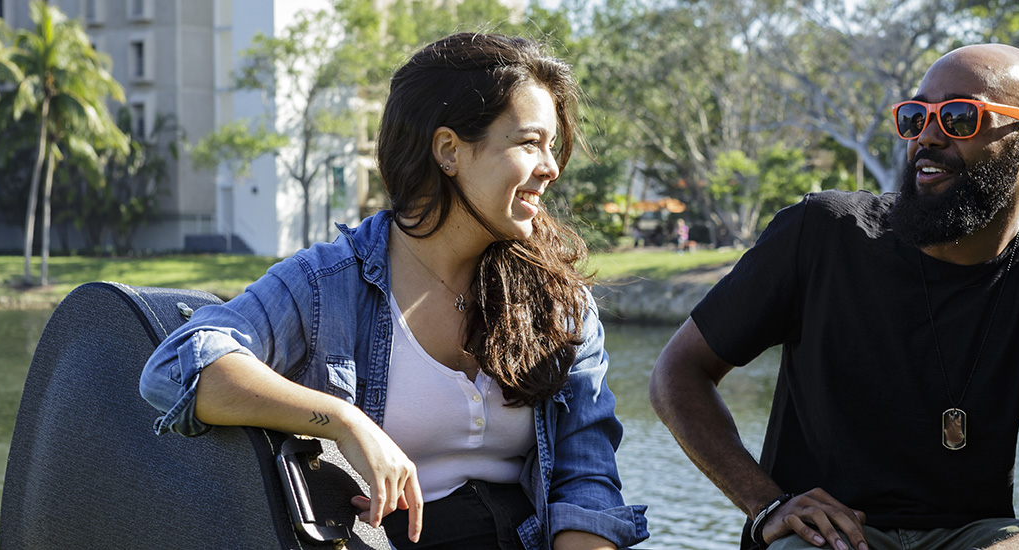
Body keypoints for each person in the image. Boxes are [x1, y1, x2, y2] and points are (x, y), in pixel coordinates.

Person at [140, 33, 648, 550]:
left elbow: (586, 483)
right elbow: (177, 368)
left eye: (551, 146)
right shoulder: (327, 285)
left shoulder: (561, 302)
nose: (551, 167)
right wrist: (343, 421)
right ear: (449, 150)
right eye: (528, 143)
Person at [649, 44, 1019, 550]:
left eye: (960, 118)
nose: (928, 135)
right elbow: (677, 372)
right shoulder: (823, 234)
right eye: (915, 116)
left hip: (974, 538)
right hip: (829, 537)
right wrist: (765, 501)